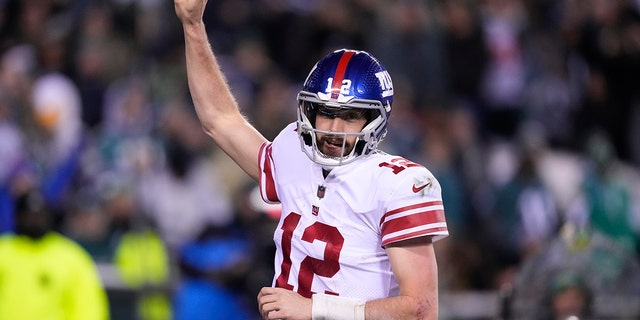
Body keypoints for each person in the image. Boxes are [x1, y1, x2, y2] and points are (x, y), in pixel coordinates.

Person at [174, 0, 449, 319]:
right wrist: (192, 25)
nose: (334, 129)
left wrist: (316, 309)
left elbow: (421, 310)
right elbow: (219, 120)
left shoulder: (400, 184)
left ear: (375, 121)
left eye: (349, 116)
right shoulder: (294, 150)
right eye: (326, 113)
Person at [0, 188, 110, 320]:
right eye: (28, 216)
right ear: (18, 217)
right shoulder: (4, 251)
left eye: (39, 216)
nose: (34, 221)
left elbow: (88, 308)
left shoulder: (70, 257)